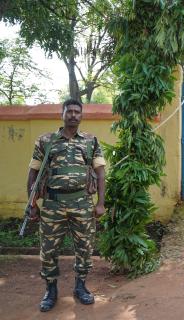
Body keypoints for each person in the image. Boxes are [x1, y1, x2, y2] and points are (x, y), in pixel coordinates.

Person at [27, 99, 106, 312]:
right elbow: (33, 172)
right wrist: (32, 203)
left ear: (81, 115)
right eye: (69, 111)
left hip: (82, 203)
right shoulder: (46, 141)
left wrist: (100, 203)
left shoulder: (91, 141)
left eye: (76, 112)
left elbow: (100, 173)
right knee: (49, 249)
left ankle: (80, 286)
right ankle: (50, 290)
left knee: (85, 247)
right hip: (53, 204)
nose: (73, 115)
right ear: (61, 114)